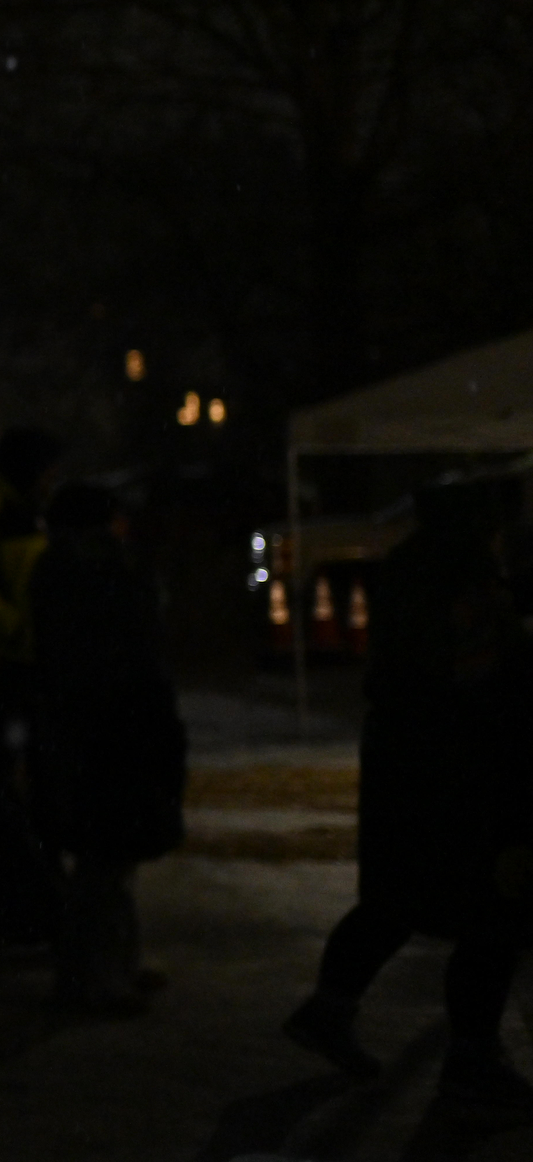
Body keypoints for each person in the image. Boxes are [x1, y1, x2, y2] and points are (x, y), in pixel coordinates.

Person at [283, 477, 533, 1114]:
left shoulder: (408, 568)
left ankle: (330, 1008)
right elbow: (484, 678)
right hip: (463, 770)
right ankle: (472, 1060)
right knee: (488, 914)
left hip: (404, 762)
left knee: (398, 897)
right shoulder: (467, 578)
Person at [31, 481, 187, 1012]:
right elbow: (137, 645)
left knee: (108, 858)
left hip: (93, 724)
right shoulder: (103, 570)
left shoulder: (61, 568)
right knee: (106, 861)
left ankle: (112, 968)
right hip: (116, 724)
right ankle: (94, 980)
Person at [0, 427, 66, 944]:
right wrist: (14, 626)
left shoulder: (19, 510)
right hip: (12, 669)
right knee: (13, 789)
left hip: (24, 666)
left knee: (29, 791)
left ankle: (38, 914)